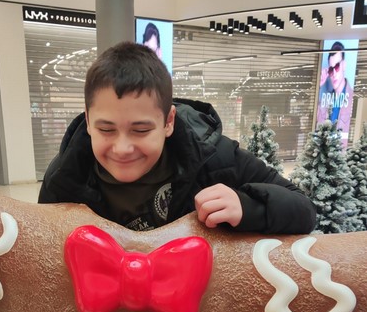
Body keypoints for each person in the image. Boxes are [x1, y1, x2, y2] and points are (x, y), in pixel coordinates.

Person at [38, 41, 316, 235]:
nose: (122, 148)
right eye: (106, 130)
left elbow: (304, 209)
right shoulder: (65, 177)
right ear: (88, 121)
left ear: (168, 121)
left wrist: (246, 207)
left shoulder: (214, 158)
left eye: (141, 130)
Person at [316, 41, 354, 140]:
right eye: (330, 69)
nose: (334, 73)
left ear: (344, 65)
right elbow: (316, 125)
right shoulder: (326, 100)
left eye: (337, 66)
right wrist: (318, 86)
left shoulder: (352, 97)